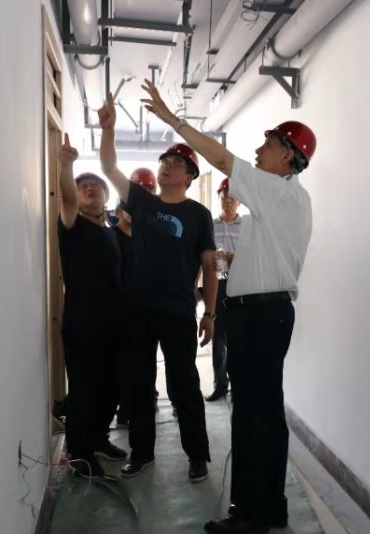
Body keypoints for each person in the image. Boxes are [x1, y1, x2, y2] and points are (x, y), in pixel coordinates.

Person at [141, 80, 316, 533]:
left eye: (268, 144)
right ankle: (264, 508)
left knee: (256, 416)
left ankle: (254, 515)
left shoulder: (278, 191)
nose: (258, 150)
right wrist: (239, 263)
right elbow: (276, 259)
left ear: (288, 157)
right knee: (260, 414)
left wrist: (174, 120)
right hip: (261, 315)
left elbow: (221, 159)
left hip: (261, 317)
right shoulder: (286, 200)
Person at [98, 92, 218, 483]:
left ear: (189, 176)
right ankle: (142, 452)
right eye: (164, 162)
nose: (166, 167)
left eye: (176, 164)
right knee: (139, 383)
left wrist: (210, 313)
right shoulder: (142, 201)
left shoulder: (198, 215)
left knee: (184, 385)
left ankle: (197, 455)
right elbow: (109, 166)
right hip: (138, 310)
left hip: (178, 311)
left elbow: (209, 266)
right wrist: (108, 129)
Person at [57, 134, 128, 481]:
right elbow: (67, 198)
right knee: (84, 390)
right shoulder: (72, 224)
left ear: (106, 196)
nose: (88, 188)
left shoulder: (111, 230)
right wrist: (66, 166)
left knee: (110, 386)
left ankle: (99, 439)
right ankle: (80, 455)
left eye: (95, 185)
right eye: (82, 185)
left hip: (113, 323)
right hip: (82, 323)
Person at [114, 168, 157, 427]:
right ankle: (125, 406)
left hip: (146, 309)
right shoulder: (112, 235)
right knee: (124, 360)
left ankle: (146, 401)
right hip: (121, 310)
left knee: (147, 360)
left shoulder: (149, 235)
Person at [205, 178, 243, 402]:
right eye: (224, 195)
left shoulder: (247, 227)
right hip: (216, 284)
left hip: (240, 285)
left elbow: (253, 255)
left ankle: (238, 383)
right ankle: (220, 384)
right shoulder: (209, 225)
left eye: (233, 196)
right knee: (217, 337)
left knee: (238, 337)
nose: (228, 200)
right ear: (218, 196)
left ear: (240, 201)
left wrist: (232, 257)